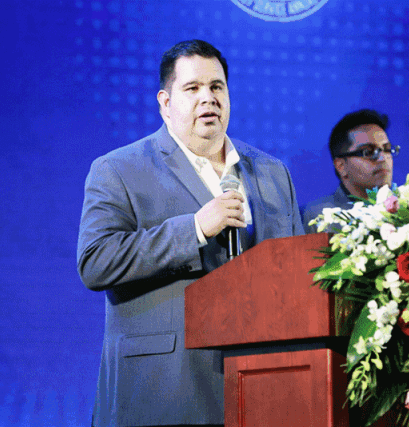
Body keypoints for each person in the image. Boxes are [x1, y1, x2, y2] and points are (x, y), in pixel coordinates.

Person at [77, 39, 304, 427]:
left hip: (263, 387)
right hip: (164, 390)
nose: (208, 98)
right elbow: (96, 262)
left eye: (216, 87)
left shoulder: (271, 172)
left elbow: (295, 273)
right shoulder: (118, 169)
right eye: (193, 88)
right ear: (165, 103)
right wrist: (195, 229)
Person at [302, 109, 399, 233]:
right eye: (368, 152)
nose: (383, 158)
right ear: (341, 166)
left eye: (387, 149)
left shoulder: (407, 208)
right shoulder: (318, 217)